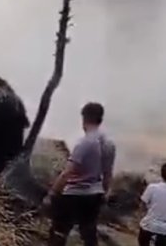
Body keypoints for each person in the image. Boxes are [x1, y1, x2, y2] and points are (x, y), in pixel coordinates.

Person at [45, 102, 116, 246]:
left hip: (74, 195)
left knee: (59, 232)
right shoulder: (109, 144)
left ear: (84, 118)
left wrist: (52, 194)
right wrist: (104, 192)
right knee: (89, 233)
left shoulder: (84, 143)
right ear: (100, 119)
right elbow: (108, 173)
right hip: (94, 195)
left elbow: (67, 173)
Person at [137, 162, 166, 246]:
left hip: (149, 225)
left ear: (161, 173)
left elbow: (142, 205)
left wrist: (141, 218)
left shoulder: (152, 187)